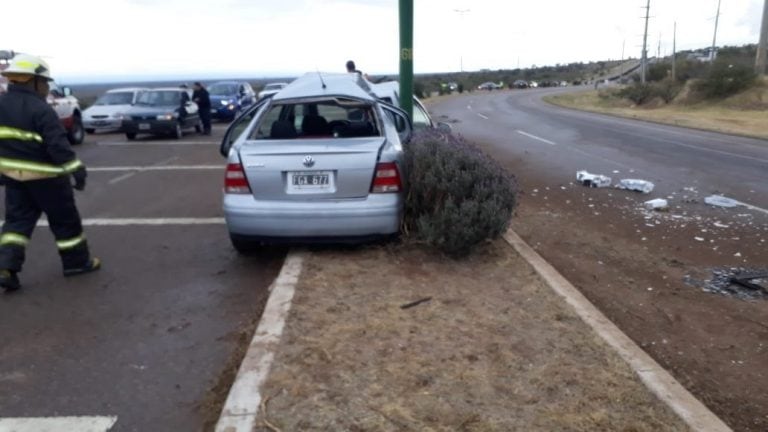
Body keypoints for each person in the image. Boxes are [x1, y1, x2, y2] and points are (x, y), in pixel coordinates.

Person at [0, 54, 100, 292]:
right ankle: (77, 263)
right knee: (65, 222)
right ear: (32, 81)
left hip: (13, 176)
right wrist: (77, 171)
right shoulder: (40, 109)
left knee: (16, 224)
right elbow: (58, 146)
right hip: (48, 178)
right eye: (44, 82)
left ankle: (6, 268)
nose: (46, 87)